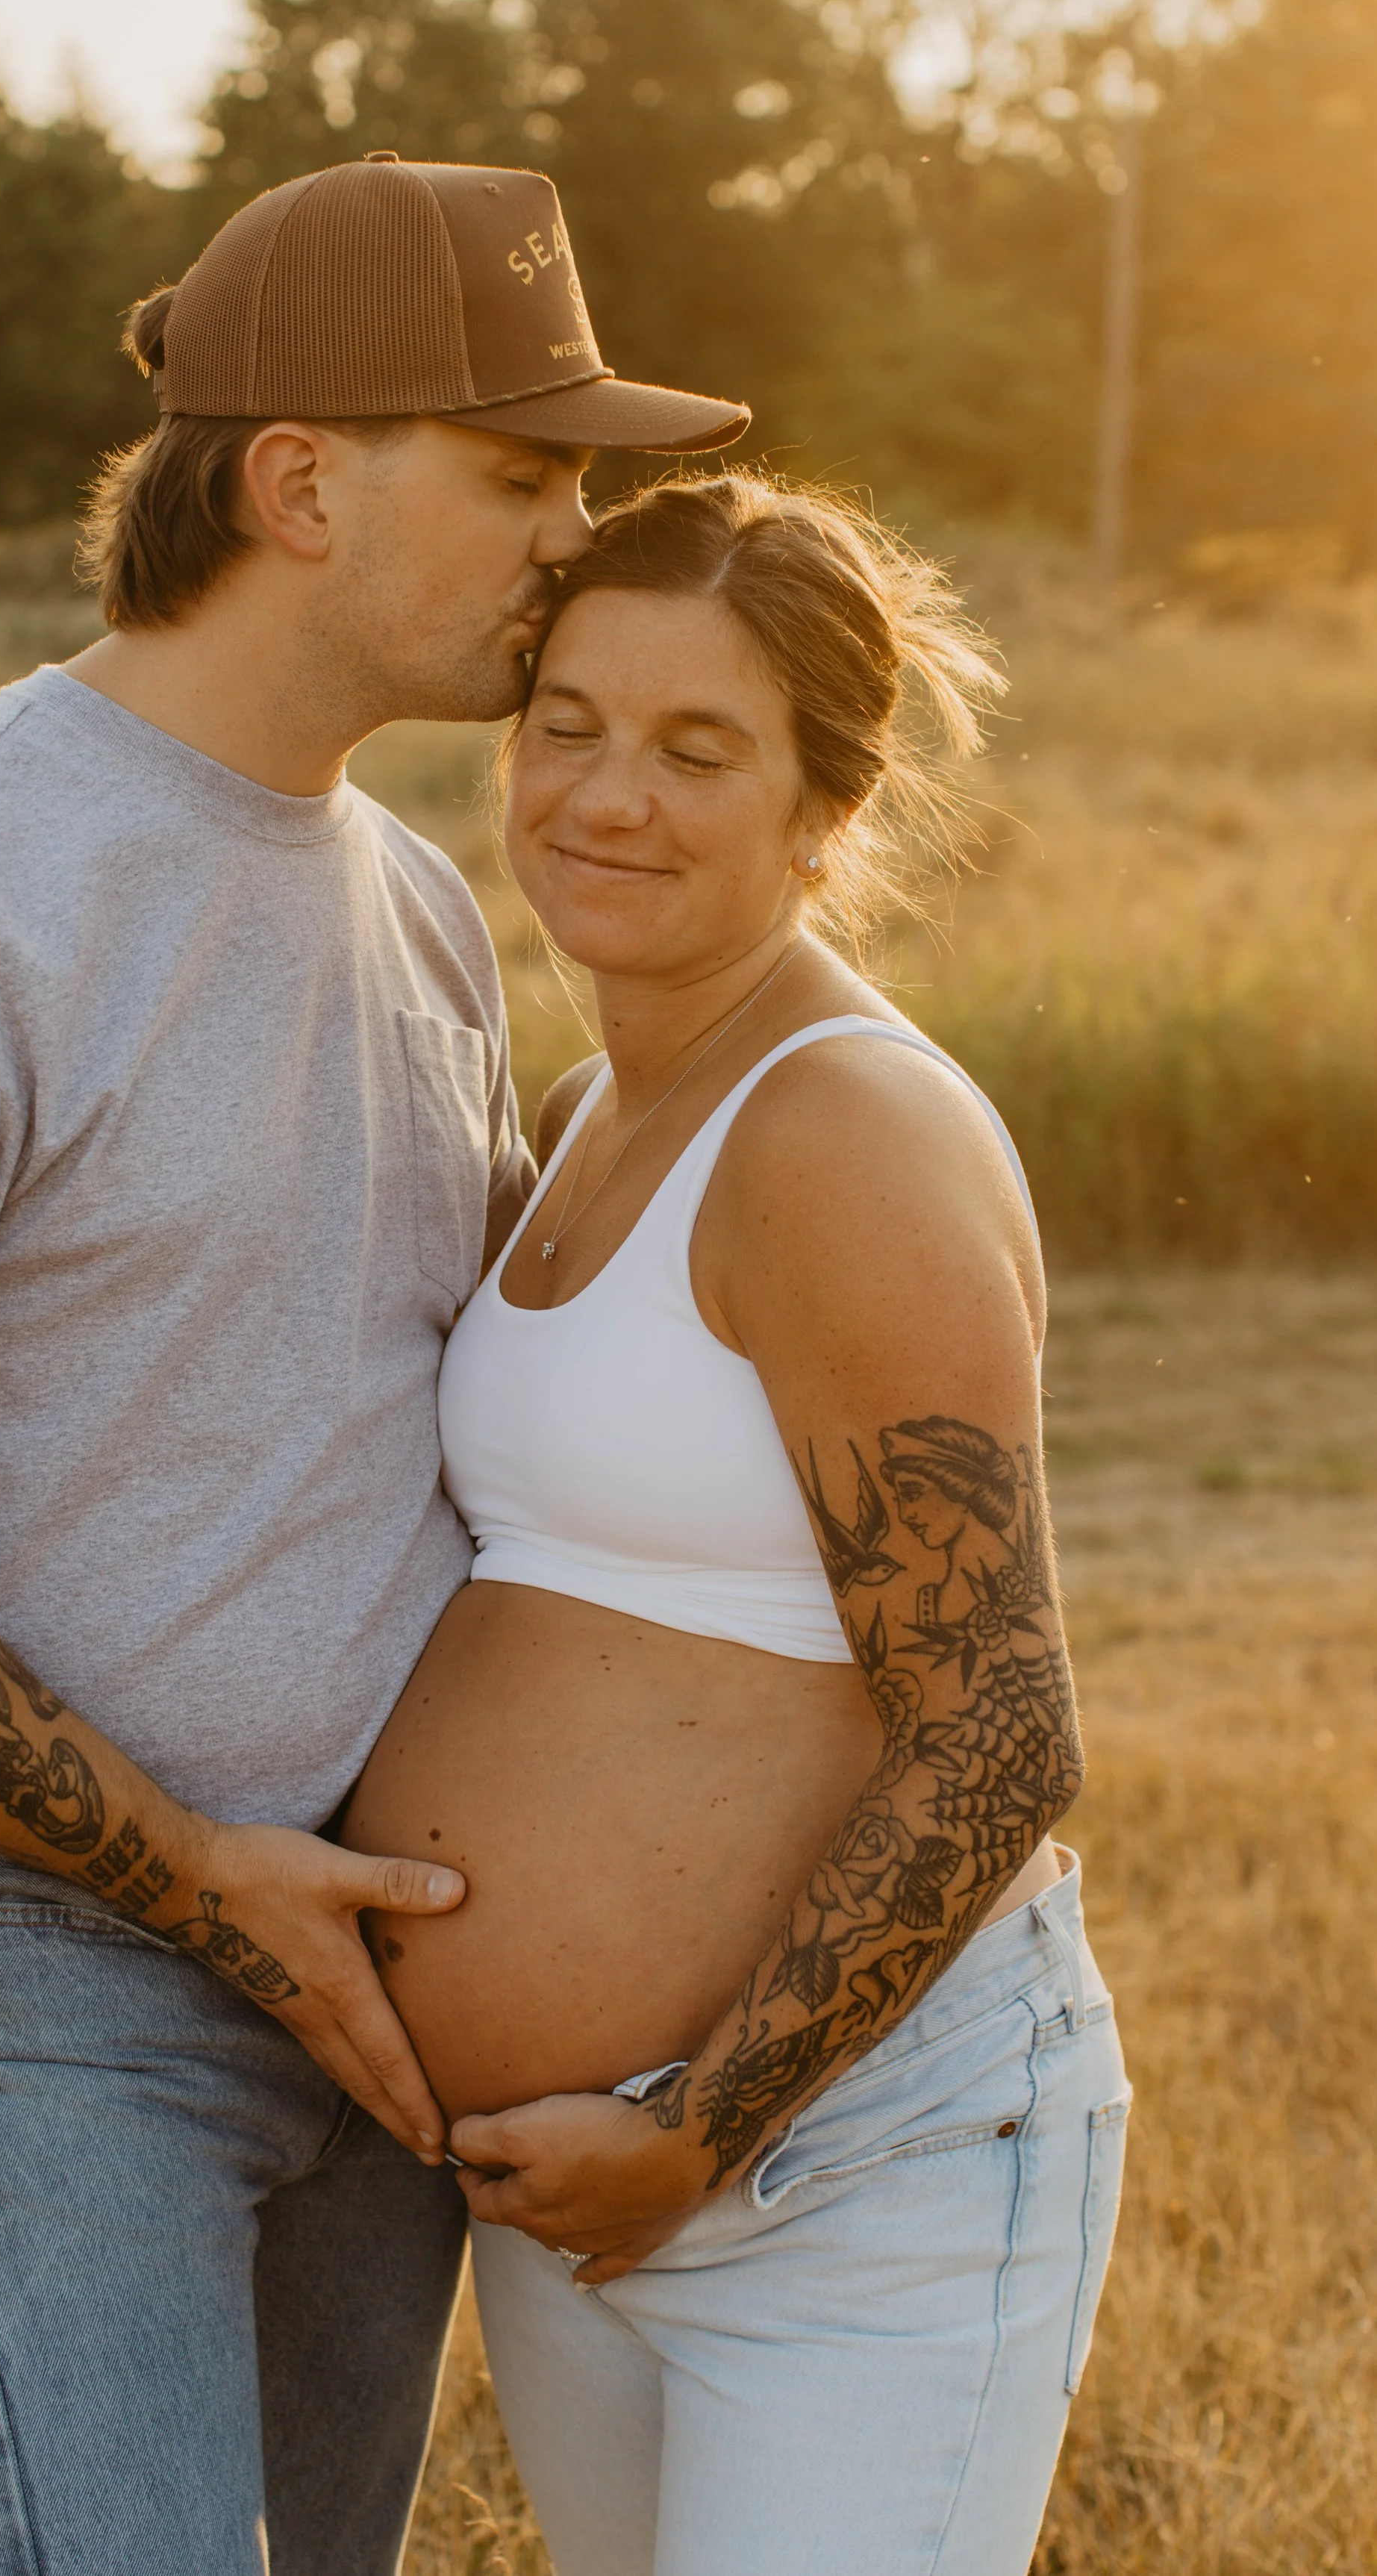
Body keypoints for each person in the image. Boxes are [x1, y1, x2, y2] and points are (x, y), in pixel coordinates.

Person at [0, 157, 749, 2576]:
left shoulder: (420, 902)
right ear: (301, 484)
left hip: (386, 1963)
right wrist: (193, 1874)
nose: (578, 535)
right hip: (56, 1976)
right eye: (524, 473)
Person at [343, 473, 1129, 2575]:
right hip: (586, 2185)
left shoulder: (840, 1126)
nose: (607, 796)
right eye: (570, 726)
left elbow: (1001, 1732)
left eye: (699, 750)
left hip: (842, 2167)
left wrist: (700, 2125)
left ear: (822, 808)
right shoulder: (596, 1109)